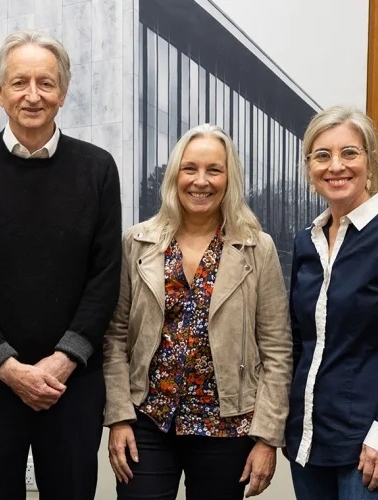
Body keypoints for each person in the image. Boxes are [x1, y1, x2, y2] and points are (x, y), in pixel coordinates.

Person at [0, 30, 122, 499]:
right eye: (19, 82)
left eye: (46, 82)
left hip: (73, 386)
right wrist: (8, 367)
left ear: (63, 92)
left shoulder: (98, 169)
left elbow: (104, 276)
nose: (32, 95)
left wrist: (62, 363)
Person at [103, 123, 293, 500]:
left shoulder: (257, 248)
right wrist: (119, 416)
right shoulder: (137, 242)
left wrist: (267, 438)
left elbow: (276, 349)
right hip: (148, 421)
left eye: (214, 170)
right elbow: (115, 337)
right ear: (175, 174)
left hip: (227, 427)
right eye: (190, 168)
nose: (200, 181)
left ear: (229, 178)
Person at [285, 105, 378, 500]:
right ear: (309, 169)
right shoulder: (308, 242)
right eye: (322, 155)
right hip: (310, 444)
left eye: (349, 153)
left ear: (370, 162)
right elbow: (300, 342)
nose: (336, 165)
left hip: (372, 449)